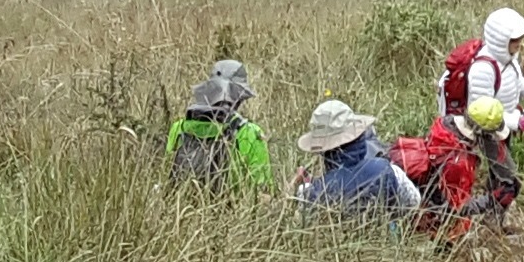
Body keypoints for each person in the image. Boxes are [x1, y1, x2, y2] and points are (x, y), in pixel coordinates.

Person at [286, 99, 418, 218]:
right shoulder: (389, 171)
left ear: (322, 149)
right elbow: (413, 204)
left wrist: (296, 188)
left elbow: (293, 220)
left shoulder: (311, 194)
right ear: (359, 136)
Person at [168, 57, 269, 192]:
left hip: (179, 209)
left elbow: (167, 175)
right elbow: (263, 190)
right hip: (232, 210)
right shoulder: (249, 132)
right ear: (240, 97)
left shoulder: (179, 128)